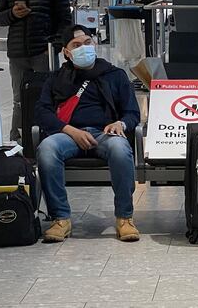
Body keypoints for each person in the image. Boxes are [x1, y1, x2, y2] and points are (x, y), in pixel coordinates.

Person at [35, 25, 141, 243]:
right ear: (66, 52)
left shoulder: (115, 75)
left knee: (120, 149)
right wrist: (70, 131)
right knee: (46, 149)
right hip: (68, 135)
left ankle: (124, 217)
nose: (83, 48)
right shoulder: (57, 79)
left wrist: (120, 123)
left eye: (87, 43)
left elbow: (132, 112)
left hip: (105, 134)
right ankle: (60, 218)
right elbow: (42, 112)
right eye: (76, 45)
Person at [0, 0, 71, 143]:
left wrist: (54, 45)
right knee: (19, 98)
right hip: (17, 53)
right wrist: (13, 14)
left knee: (47, 94)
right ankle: (18, 138)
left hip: (43, 52)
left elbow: (64, 18)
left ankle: (48, 133)